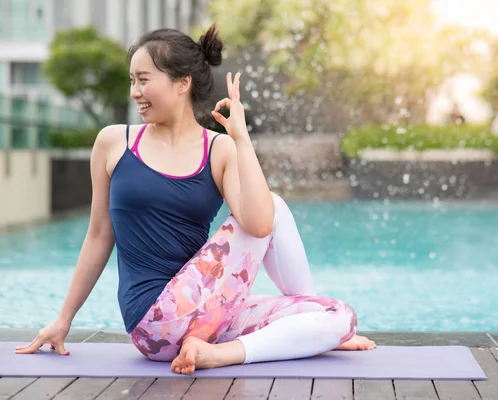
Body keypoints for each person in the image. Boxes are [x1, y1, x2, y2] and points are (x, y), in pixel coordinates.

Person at [15, 24, 375, 375]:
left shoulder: (218, 149)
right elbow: (98, 235)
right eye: (132, 81)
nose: (134, 92)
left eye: (143, 80)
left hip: (203, 316)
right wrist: (63, 319)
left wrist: (241, 139)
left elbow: (257, 222)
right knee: (275, 205)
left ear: (182, 82)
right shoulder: (114, 143)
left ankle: (290, 329)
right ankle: (238, 349)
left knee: (339, 317)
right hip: (154, 321)